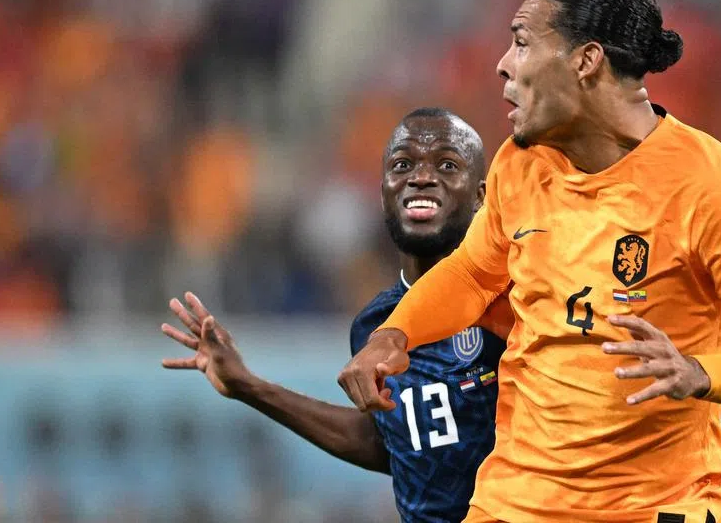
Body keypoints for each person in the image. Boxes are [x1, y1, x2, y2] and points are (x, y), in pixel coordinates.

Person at [338, 0, 721, 523]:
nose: (503, 64)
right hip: (514, 503)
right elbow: (473, 274)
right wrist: (395, 334)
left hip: (653, 508)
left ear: (586, 60)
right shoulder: (521, 164)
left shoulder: (714, 190)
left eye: (522, 42)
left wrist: (699, 373)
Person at [161, 108, 513, 523]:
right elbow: (394, 444)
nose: (421, 176)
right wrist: (248, 386)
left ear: (481, 195)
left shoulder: (514, 299)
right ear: (384, 191)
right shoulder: (374, 324)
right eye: (403, 164)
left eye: (447, 164)